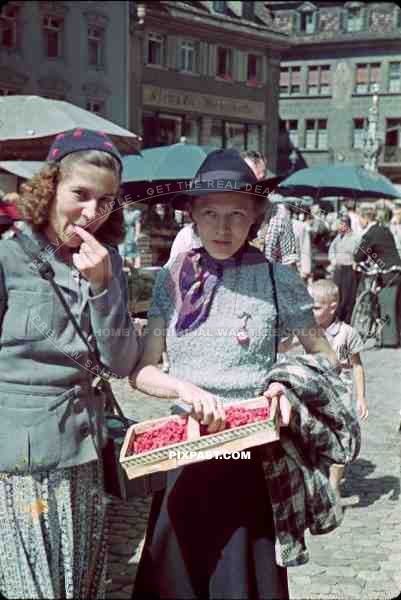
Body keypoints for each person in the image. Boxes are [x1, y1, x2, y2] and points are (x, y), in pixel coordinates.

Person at [129, 149, 353, 600]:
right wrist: (183, 387)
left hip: (253, 456)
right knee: (179, 581)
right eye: (210, 213)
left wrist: (285, 384)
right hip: (186, 452)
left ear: (256, 217)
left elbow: (326, 355)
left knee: (243, 582)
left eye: (237, 214)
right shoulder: (172, 278)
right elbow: (143, 371)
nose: (223, 227)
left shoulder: (278, 280)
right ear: (191, 215)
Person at [0, 129, 140, 598]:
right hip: (21, 460)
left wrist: (102, 285)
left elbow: (121, 361)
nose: (91, 213)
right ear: (50, 187)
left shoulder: (108, 261)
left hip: (84, 452)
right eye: (79, 194)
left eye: (106, 202)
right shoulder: (8, 256)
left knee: (78, 586)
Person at [308, 280, 368, 500]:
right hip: (315, 393)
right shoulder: (307, 331)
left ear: (332, 307)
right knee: (317, 435)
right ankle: (320, 477)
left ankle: (333, 486)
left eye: (315, 307)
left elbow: (357, 366)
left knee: (341, 438)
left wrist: (361, 398)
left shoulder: (347, 333)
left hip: (341, 393)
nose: (310, 312)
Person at [353, 203, 401, 285]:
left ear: (365, 218)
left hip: (387, 274)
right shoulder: (385, 229)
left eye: (360, 218)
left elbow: (359, 257)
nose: (359, 221)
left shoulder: (369, 234)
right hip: (397, 269)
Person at [328, 214, 360, 323]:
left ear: (347, 225)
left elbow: (358, 253)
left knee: (347, 298)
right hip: (338, 269)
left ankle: (346, 321)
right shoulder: (338, 237)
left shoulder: (355, 237)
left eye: (341, 224)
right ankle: (336, 320)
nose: (339, 226)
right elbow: (331, 250)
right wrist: (333, 260)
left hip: (349, 269)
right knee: (337, 296)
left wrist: (356, 261)